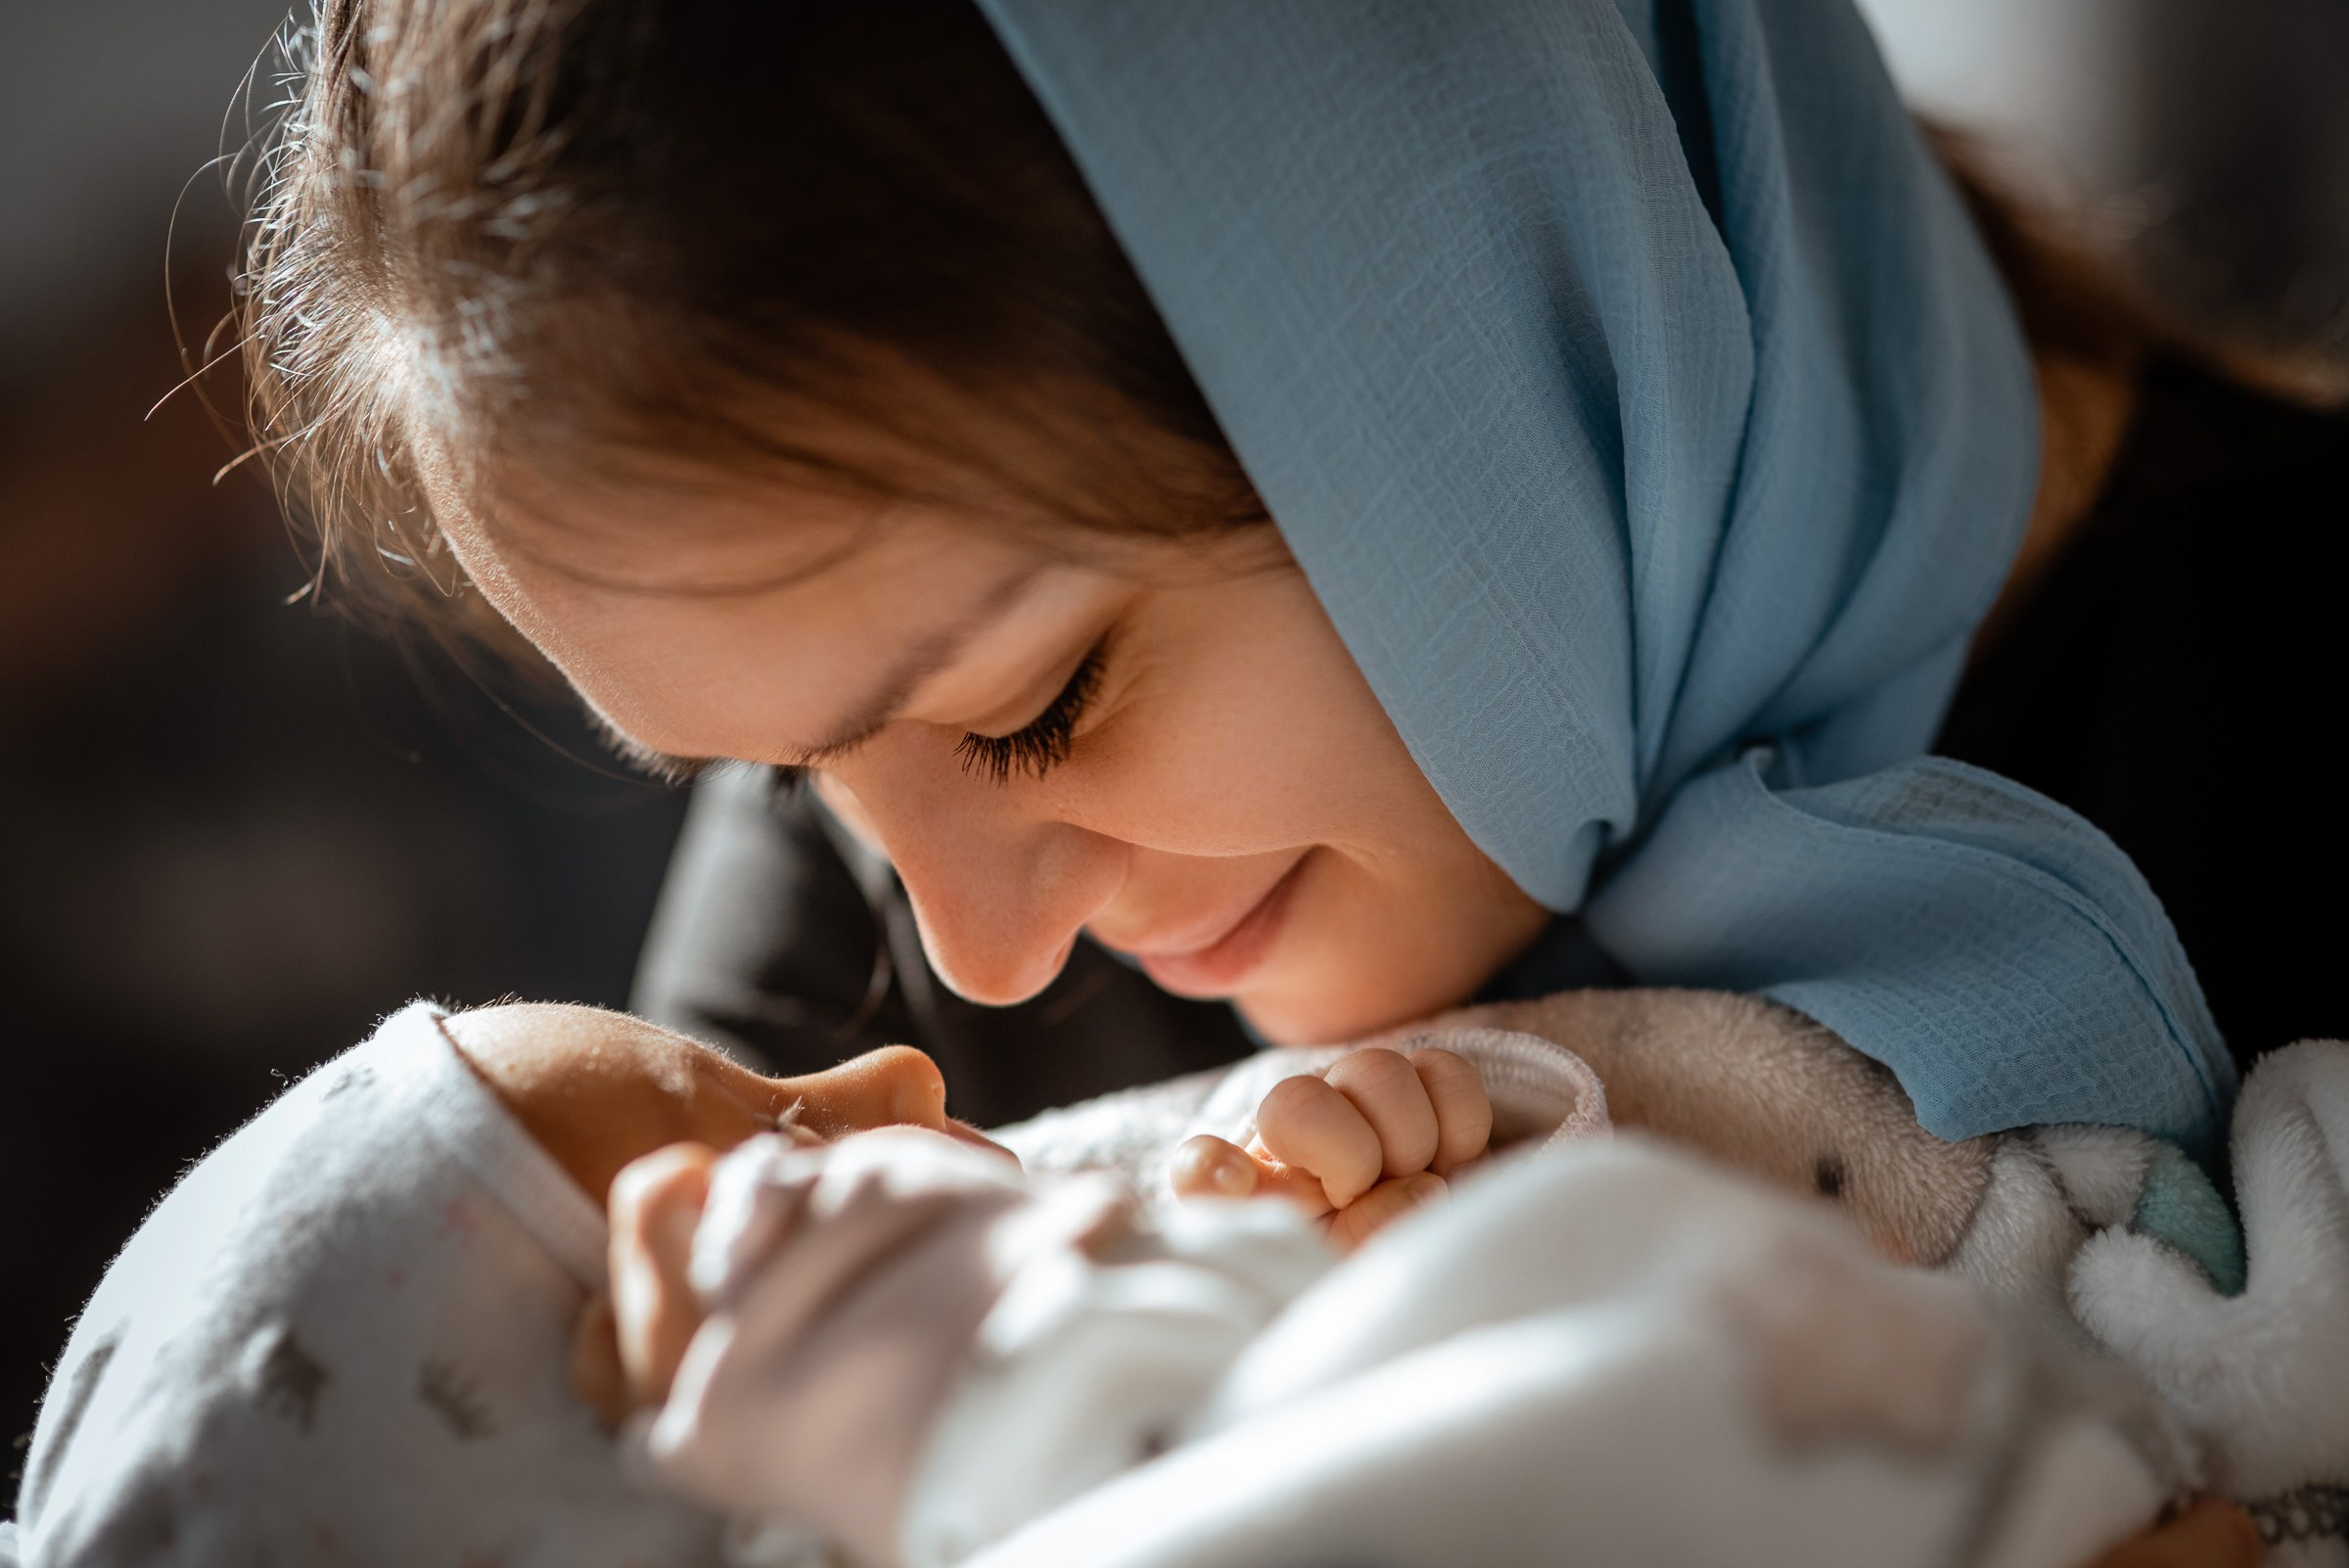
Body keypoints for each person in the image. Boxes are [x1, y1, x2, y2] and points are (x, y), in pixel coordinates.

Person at [230, 0, 2343, 1556]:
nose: (974, 959)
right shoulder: (798, 1107)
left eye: (1042, 704)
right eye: (794, 771)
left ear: (1491, 290)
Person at [8, 1001, 2259, 1568]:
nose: (892, 1070)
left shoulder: (1130, 1241)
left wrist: (1358, 1221)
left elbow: (1509, 1341)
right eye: (776, 1147)